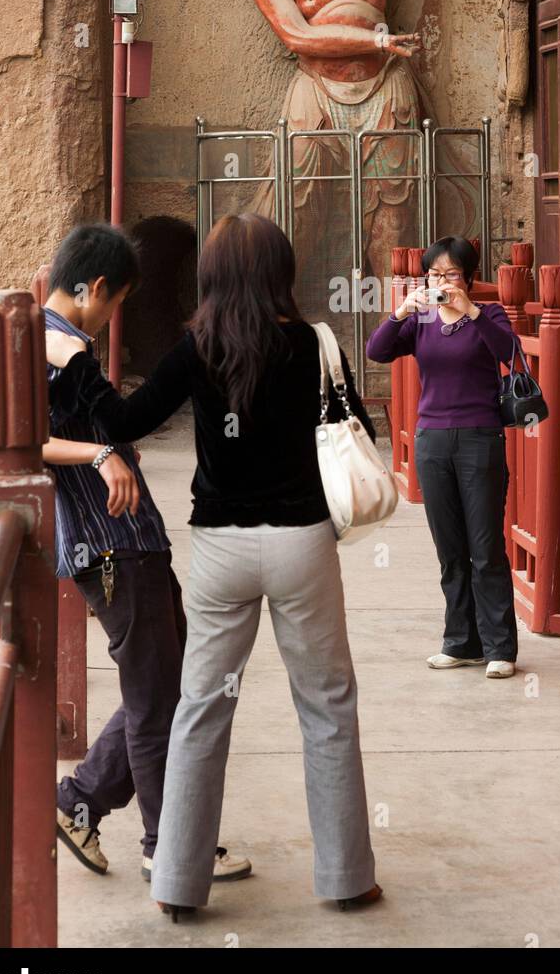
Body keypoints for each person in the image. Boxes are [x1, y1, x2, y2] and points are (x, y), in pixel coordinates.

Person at [45, 213, 382, 920]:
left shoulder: (196, 346)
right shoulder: (314, 341)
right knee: (327, 708)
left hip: (222, 549)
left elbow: (126, 420)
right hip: (302, 545)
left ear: (212, 279)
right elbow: (360, 430)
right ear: (280, 272)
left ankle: (176, 885)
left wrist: (74, 361)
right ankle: (347, 878)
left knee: (199, 714)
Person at [44, 223, 249, 886]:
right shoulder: (56, 346)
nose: (112, 320)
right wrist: (100, 453)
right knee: (161, 698)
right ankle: (170, 845)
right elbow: (23, 439)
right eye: (116, 303)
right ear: (96, 288)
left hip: (126, 543)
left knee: (166, 685)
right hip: (111, 547)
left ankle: (80, 801)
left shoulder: (52, 337)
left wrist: (101, 450)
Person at [366, 236, 519, 679]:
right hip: (432, 441)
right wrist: (401, 312)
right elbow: (378, 351)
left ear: (468, 277)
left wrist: (470, 309)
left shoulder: (487, 314)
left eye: (450, 274)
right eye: (434, 274)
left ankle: (500, 649)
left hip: (479, 439)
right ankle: (460, 642)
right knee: (450, 550)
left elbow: (510, 352)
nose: (441, 282)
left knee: (485, 547)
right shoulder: (422, 321)